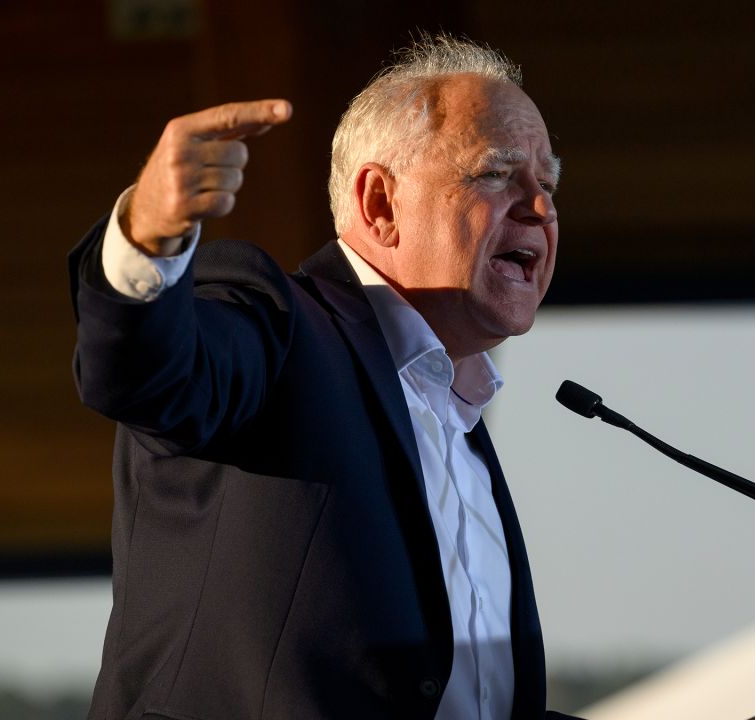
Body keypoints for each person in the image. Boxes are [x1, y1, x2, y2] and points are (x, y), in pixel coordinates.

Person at [69, 35, 574, 719]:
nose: (539, 209)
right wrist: (147, 238)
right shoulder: (280, 326)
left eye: (547, 184)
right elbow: (145, 372)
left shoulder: (462, 425)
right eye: (496, 174)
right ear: (380, 204)